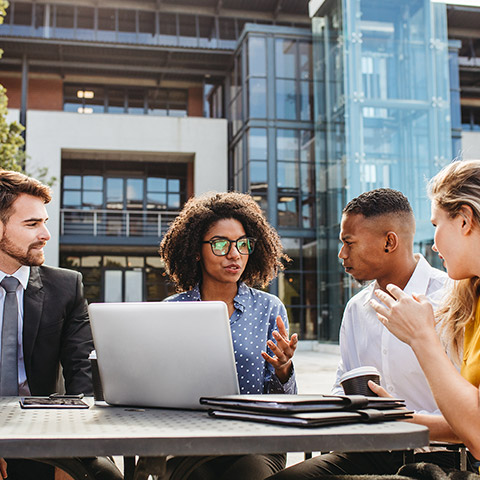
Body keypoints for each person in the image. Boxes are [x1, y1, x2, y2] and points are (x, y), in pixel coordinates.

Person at [267, 188, 462, 480]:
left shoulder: (451, 298)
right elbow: (341, 384)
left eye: (349, 243)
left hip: (441, 457)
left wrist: (400, 421)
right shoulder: (357, 308)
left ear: (389, 241)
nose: (341, 254)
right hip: (365, 451)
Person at [158, 191, 298, 480]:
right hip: (189, 438)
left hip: (256, 439)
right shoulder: (172, 311)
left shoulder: (269, 308)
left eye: (242, 244)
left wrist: (283, 369)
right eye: (220, 244)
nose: (234, 254)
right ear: (196, 251)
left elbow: (284, 402)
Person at [0, 170, 122, 480]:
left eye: (44, 222)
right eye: (32, 224)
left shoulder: (67, 287)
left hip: (45, 429)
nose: (46, 235)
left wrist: (72, 450)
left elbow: (81, 375)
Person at [370, 159, 480, 461]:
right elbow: (467, 418)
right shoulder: (471, 300)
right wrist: (400, 418)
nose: (433, 245)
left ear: (464, 220)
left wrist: (421, 338)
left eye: (436, 225)